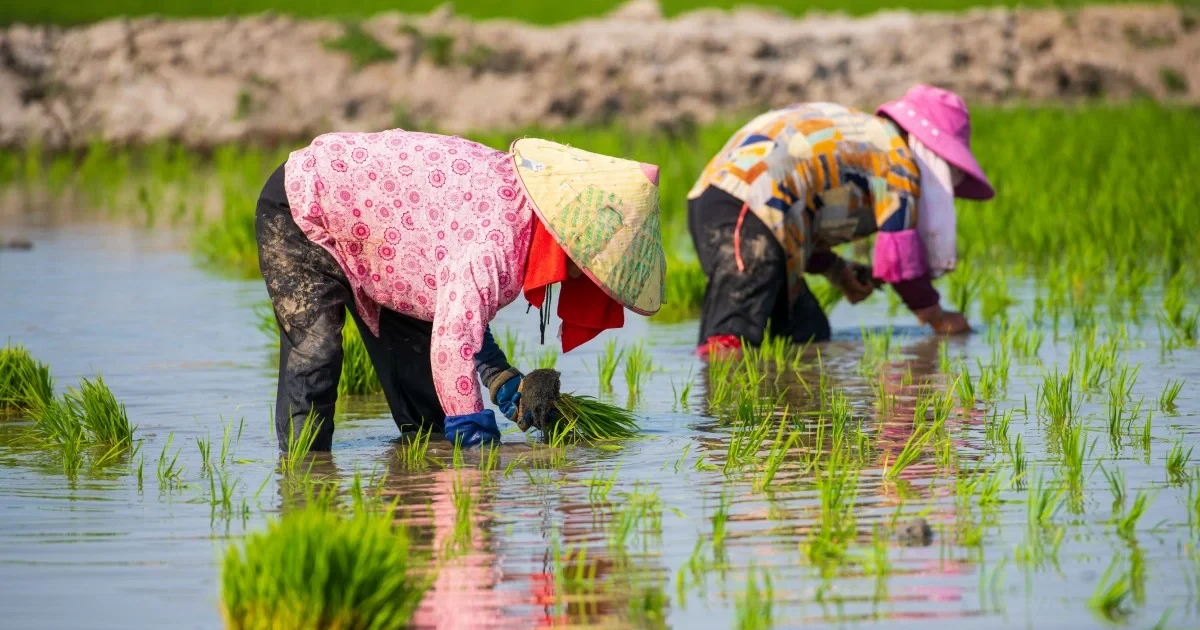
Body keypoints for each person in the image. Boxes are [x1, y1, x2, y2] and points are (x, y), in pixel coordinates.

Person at [255, 130, 665, 451]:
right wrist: (477, 445)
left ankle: (417, 517)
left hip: (391, 246)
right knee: (316, 355)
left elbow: (459, 311)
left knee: (426, 415)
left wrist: (501, 379)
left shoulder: (519, 220)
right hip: (306, 201)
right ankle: (304, 485)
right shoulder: (499, 242)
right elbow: (453, 341)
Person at [686, 84, 994, 358]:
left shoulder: (867, 138)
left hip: (736, 207)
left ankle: (787, 415)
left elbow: (806, 208)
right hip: (748, 205)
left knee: (807, 332)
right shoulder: (898, 159)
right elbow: (899, 260)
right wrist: (936, 316)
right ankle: (720, 420)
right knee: (731, 335)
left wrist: (837, 270)